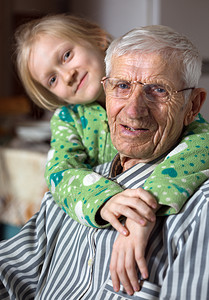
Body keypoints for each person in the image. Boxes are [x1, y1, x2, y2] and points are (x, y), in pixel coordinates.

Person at [0, 24, 209, 300]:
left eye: (158, 90)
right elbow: (60, 172)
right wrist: (104, 199)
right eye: (121, 86)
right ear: (107, 86)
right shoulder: (69, 188)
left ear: (192, 106)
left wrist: (145, 209)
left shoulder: (200, 207)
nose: (133, 111)